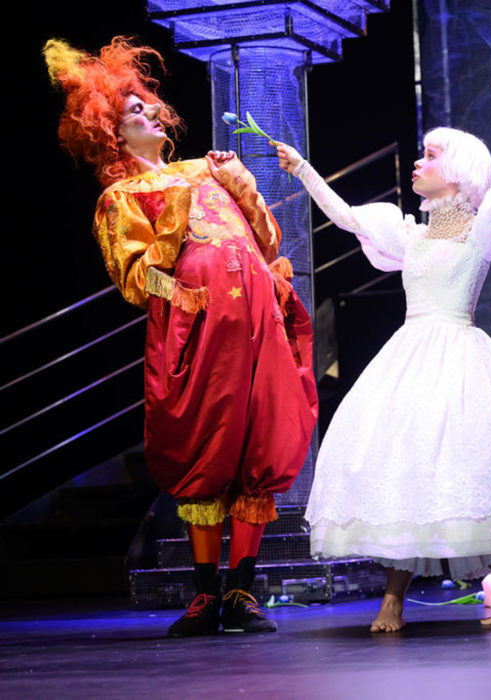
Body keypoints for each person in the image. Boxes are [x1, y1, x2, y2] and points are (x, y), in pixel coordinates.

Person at [274, 81, 491, 631]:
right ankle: (393, 601)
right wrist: (303, 169)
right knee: (408, 474)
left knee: (461, 483)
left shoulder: (484, 224)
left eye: (430, 155)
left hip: (460, 362)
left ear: (459, 170)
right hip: (409, 358)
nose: (419, 163)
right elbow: (347, 216)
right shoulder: (411, 234)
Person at [44, 36, 318, 636]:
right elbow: (137, 279)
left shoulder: (203, 169)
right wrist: (179, 248)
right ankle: (204, 594)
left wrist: (242, 186)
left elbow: (265, 241)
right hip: (197, 335)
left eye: (146, 104)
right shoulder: (118, 199)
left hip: (256, 326)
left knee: (259, 445)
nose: (149, 111)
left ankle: (242, 591)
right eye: (132, 111)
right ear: (112, 135)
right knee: (205, 451)